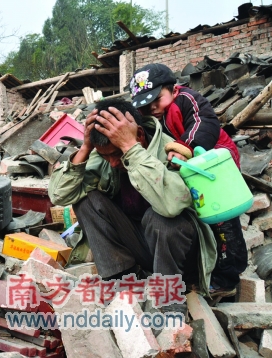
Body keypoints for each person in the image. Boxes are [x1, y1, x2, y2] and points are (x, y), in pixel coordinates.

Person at [48, 98, 217, 302]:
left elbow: (171, 206)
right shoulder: (105, 156)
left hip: (180, 256)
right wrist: (85, 148)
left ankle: (169, 298)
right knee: (87, 200)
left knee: (161, 220)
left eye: (117, 153)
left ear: (138, 134)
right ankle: (122, 282)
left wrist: (130, 148)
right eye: (106, 156)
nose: (112, 162)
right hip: (142, 246)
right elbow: (59, 195)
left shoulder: (169, 150)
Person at [129, 63, 247, 298]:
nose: (152, 108)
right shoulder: (154, 118)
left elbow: (204, 123)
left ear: (173, 90)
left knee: (224, 221)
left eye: (157, 100)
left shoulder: (187, 100)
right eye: (145, 104)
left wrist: (185, 147)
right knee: (206, 219)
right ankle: (206, 269)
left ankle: (228, 278)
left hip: (214, 167)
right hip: (193, 173)